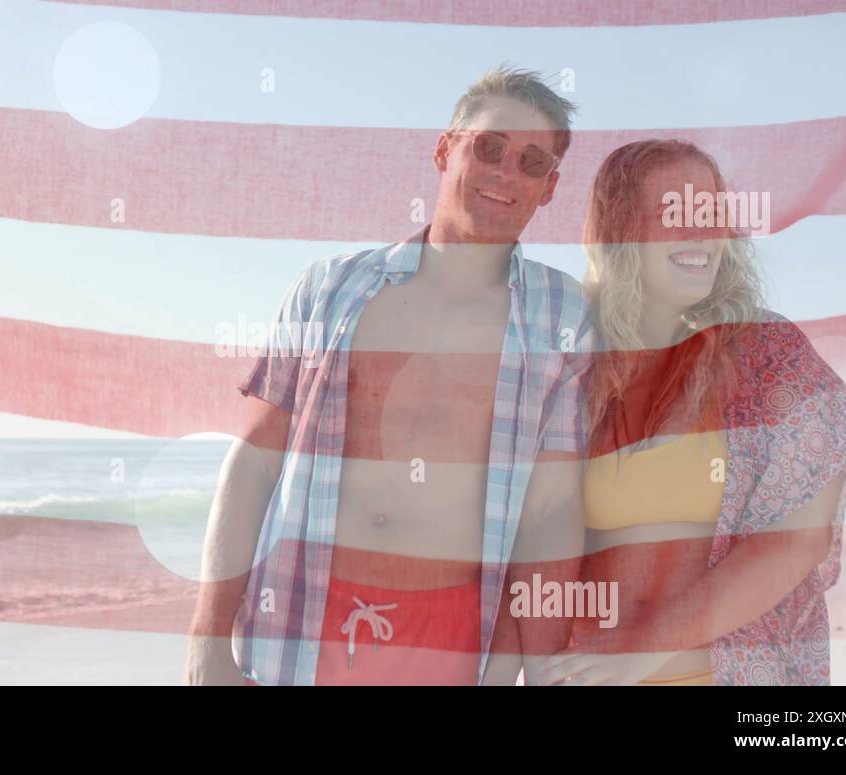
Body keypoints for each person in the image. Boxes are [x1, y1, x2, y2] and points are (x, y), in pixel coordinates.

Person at [184, 67, 591, 685]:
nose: (506, 171)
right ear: (444, 149)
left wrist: (535, 671)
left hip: (456, 642)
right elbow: (252, 466)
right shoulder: (329, 289)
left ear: (550, 188)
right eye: (489, 147)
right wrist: (206, 643)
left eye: (532, 161)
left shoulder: (565, 318)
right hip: (299, 624)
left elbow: (550, 516)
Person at [530, 139, 846, 686]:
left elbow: (797, 538)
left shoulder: (768, 355)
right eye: (673, 211)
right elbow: (534, 546)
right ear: (619, 232)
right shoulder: (577, 370)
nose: (699, 230)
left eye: (711, 210)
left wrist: (645, 648)